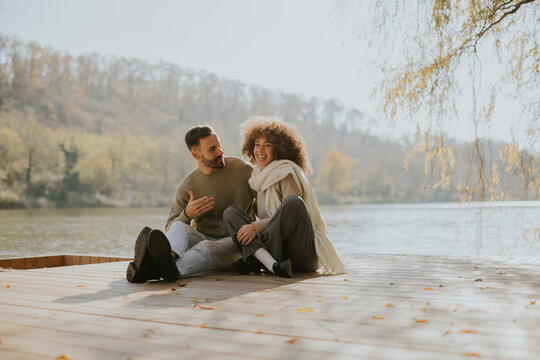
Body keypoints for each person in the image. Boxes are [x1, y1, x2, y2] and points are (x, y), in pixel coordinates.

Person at [126, 125, 256, 282]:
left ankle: (153, 269)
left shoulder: (243, 170)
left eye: (219, 145)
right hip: (203, 239)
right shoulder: (188, 185)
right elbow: (171, 227)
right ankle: (167, 261)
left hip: (237, 242)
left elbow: (266, 198)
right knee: (180, 226)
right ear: (196, 154)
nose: (220, 151)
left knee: (207, 247)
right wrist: (187, 215)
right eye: (212, 149)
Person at [223, 116, 345, 278]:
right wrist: (251, 226)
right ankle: (271, 264)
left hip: (299, 255)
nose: (260, 150)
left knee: (293, 202)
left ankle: (257, 260)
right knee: (231, 213)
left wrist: (256, 227)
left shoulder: (286, 173)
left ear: (280, 148)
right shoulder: (259, 177)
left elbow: (290, 215)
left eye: (267, 145)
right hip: (277, 253)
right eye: (257, 144)